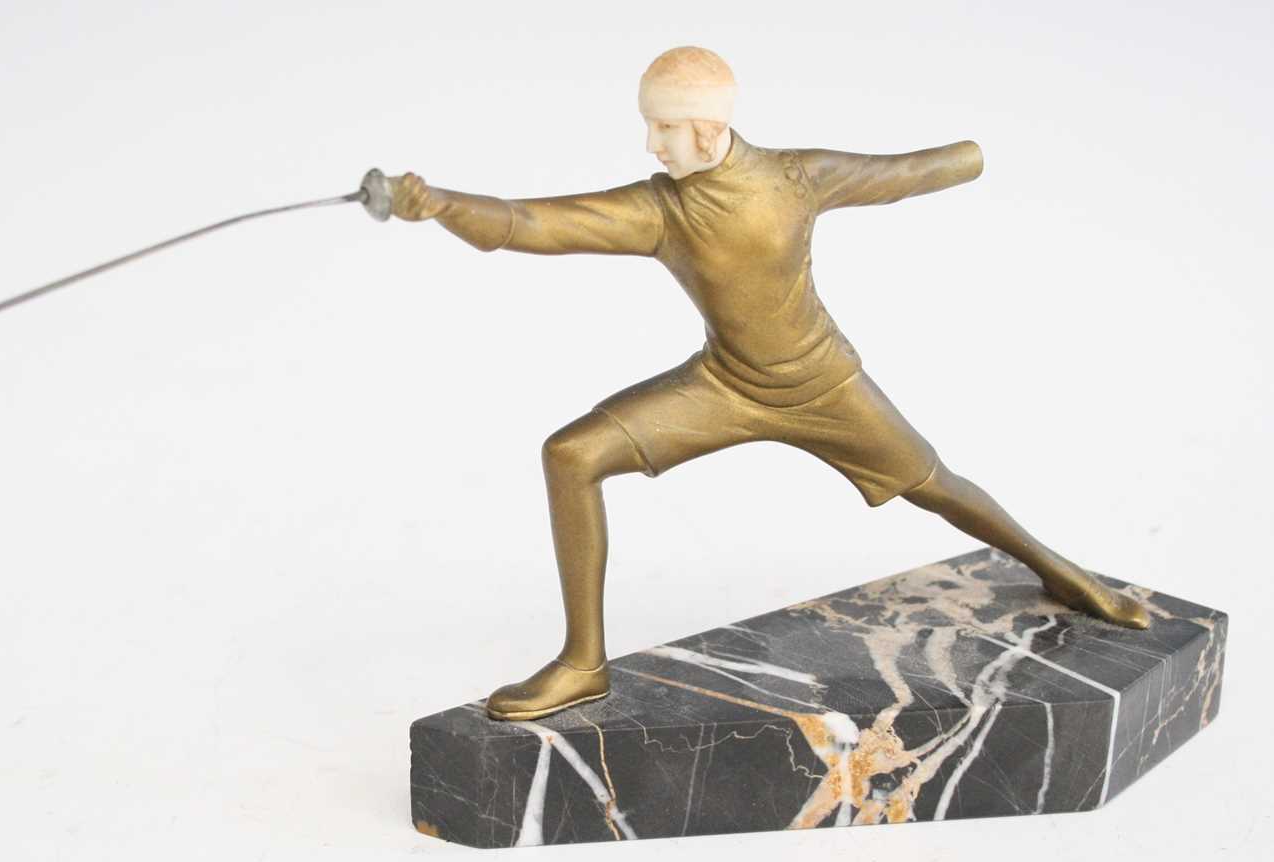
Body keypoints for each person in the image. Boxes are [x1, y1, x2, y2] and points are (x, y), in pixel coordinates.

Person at [390, 46, 1150, 722]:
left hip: (825, 385)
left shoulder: (795, 177)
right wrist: (441, 205)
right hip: (722, 387)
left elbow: (897, 176)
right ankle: (583, 662)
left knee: (936, 485)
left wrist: (972, 156)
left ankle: (1064, 574)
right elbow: (527, 223)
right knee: (572, 454)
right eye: (650, 126)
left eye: (664, 128)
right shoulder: (661, 209)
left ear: (709, 132)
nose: (651, 144)